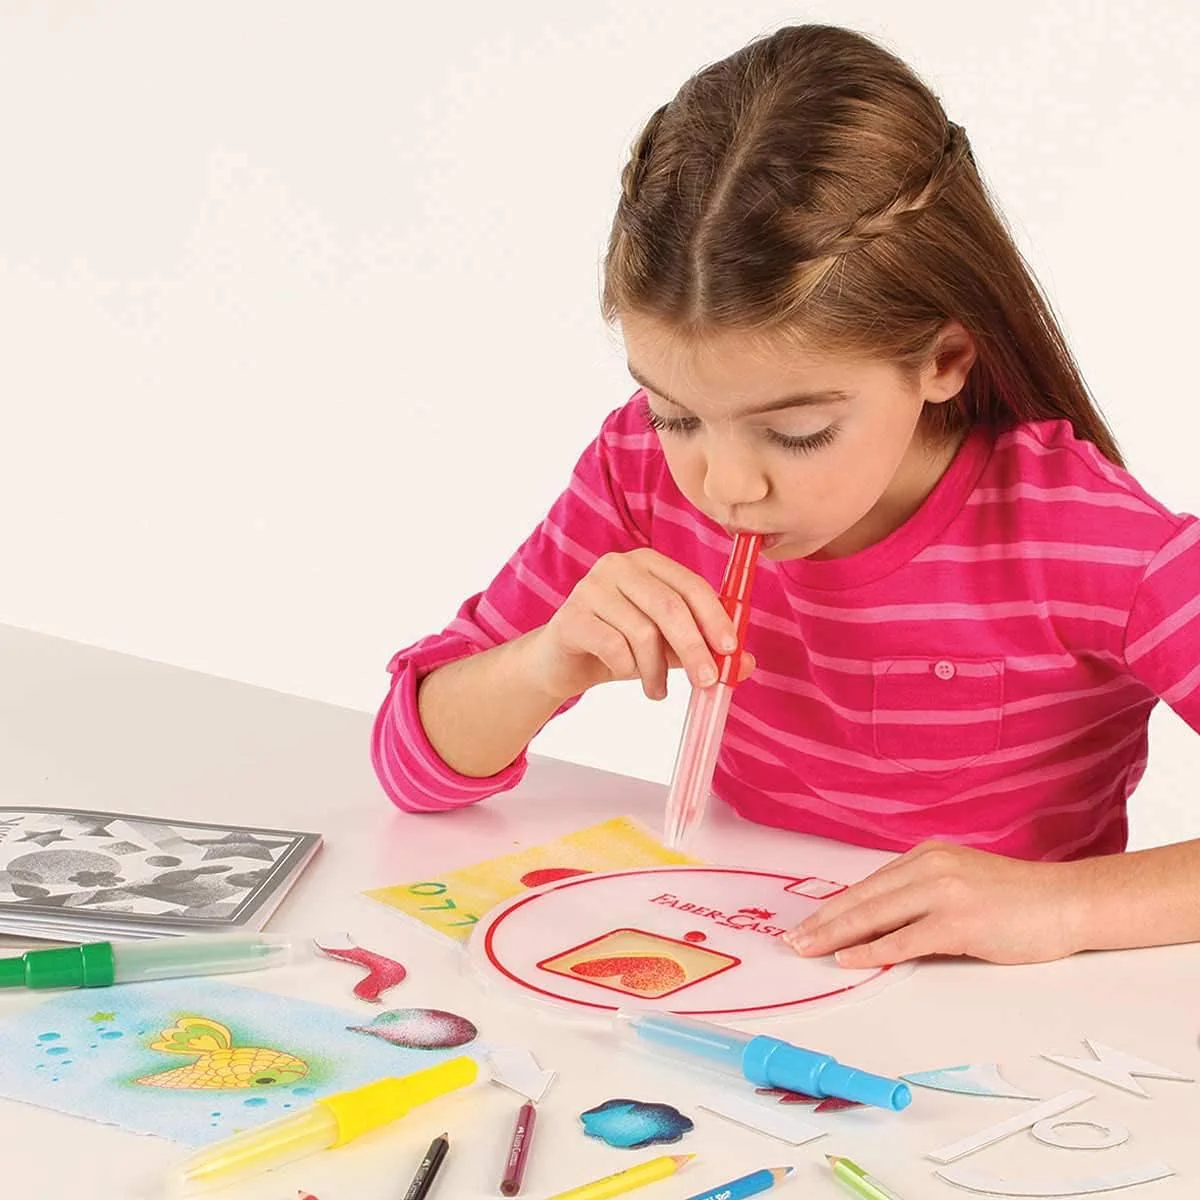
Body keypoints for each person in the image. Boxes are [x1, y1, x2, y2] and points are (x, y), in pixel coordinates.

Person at [372, 25, 1199, 970]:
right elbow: (409, 766)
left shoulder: (1093, 543)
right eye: (677, 413)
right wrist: (546, 661)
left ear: (943, 359)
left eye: (798, 430)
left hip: (992, 1018)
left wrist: (1066, 907)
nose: (726, 486)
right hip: (743, 960)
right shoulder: (640, 473)